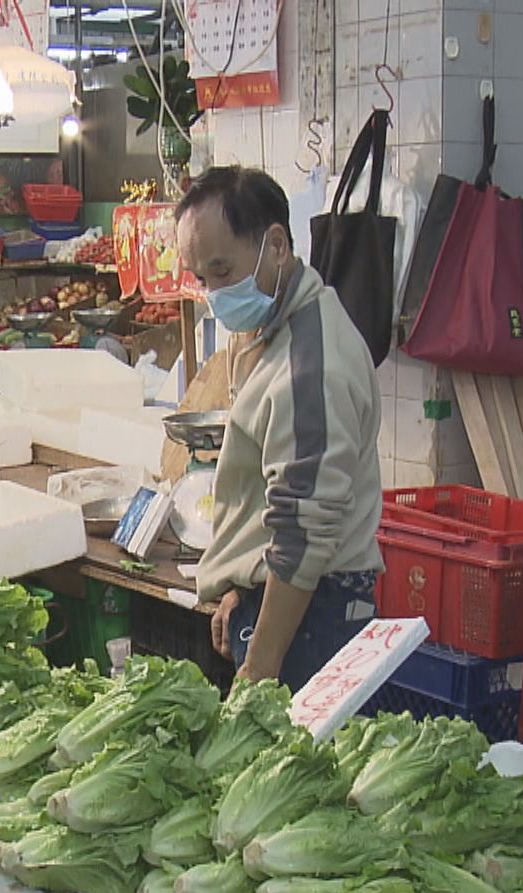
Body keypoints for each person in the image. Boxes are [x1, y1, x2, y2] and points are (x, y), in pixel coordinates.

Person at [177, 166, 385, 692]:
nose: (213, 294)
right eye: (201, 279)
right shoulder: (278, 331)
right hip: (289, 601)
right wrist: (240, 583)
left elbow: (303, 531)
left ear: (274, 244)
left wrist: (262, 663)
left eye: (222, 270)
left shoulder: (310, 361)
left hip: (315, 615)